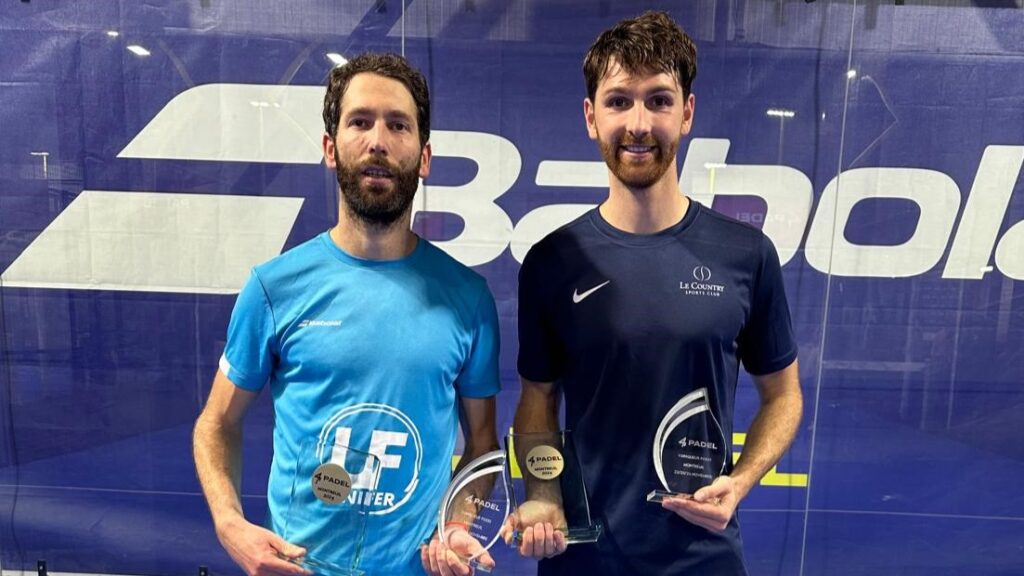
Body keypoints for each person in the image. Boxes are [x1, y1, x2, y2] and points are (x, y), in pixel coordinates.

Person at [510, 11, 803, 575]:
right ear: (591, 117)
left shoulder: (747, 255)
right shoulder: (550, 261)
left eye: (659, 100)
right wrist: (544, 493)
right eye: (619, 101)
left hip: (703, 558)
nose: (639, 123)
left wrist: (740, 481)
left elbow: (784, 396)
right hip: (584, 560)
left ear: (687, 113)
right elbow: (537, 401)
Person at [192, 52, 501, 576]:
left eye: (398, 125)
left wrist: (459, 523)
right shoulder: (274, 288)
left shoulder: (468, 298)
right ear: (331, 149)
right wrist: (229, 524)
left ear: (424, 157)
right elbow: (216, 423)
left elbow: (483, 444)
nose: (378, 140)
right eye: (360, 121)